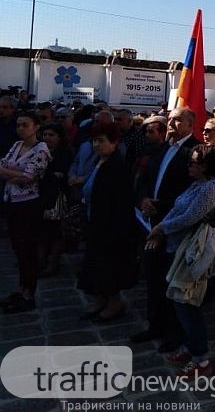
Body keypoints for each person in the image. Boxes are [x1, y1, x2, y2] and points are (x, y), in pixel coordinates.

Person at [145, 145, 215, 377]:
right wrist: (162, 229)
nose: (189, 165)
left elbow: (189, 217)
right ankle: (191, 347)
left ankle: (201, 360)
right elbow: (177, 209)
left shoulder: (211, 188)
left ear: (205, 166)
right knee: (181, 302)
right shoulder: (198, 184)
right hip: (180, 248)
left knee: (188, 304)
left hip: (193, 253)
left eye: (193, 162)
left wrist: (161, 228)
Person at [132, 107, 200, 351]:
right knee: (153, 277)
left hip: (172, 226)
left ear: (191, 124)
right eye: (170, 119)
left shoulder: (195, 150)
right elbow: (146, 180)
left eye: (178, 119)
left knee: (172, 281)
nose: (171, 123)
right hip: (150, 222)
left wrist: (162, 214)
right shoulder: (161, 148)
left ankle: (175, 332)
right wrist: (143, 200)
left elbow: (190, 192)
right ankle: (155, 324)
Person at [77, 122, 138, 322]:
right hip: (94, 220)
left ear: (114, 143)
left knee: (109, 265)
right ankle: (99, 298)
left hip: (110, 226)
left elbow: (121, 202)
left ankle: (114, 302)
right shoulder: (100, 161)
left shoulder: (117, 167)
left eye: (101, 141)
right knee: (95, 263)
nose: (96, 144)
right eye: (94, 140)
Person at [0, 111, 51, 313]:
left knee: (27, 249)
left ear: (36, 127)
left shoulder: (41, 150)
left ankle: (29, 293)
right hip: (12, 200)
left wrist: (10, 175)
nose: (21, 128)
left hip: (28, 205)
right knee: (17, 249)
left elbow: (29, 177)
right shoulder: (17, 145)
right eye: (19, 125)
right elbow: (4, 164)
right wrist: (15, 175)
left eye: (25, 125)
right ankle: (21, 289)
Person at [39, 122, 73, 277]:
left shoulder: (64, 153)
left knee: (56, 231)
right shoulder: (39, 150)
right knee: (42, 230)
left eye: (51, 135)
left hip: (57, 197)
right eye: (45, 134)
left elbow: (59, 175)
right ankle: (41, 259)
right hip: (41, 195)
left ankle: (53, 262)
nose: (47, 138)